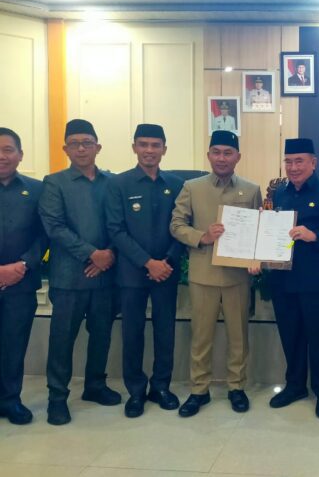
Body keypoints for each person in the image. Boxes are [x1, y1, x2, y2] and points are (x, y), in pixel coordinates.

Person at [170, 130, 262, 418]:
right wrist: (202, 236)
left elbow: (258, 230)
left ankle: (236, 387)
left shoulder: (251, 189)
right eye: (217, 152)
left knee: (239, 337)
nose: (222, 158)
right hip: (203, 274)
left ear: (238, 157)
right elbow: (176, 225)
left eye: (228, 153)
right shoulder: (191, 187)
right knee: (201, 337)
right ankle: (199, 390)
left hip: (237, 277)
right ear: (208, 155)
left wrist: (256, 257)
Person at [39, 119, 121, 426]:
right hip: (69, 278)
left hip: (106, 275)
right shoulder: (54, 183)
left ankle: (95, 385)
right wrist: (92, 254)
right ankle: (57, 398)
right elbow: (54, 227)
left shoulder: (113, 182)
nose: (82, 148)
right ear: (65, 149)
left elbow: (121, 223)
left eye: (87, 142)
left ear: (98, 147)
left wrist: (109, 253)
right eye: (74, 143)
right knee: (62, 340)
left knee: (101, 335)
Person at [105, 124, 184, 418]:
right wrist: (148, 262)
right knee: (132, 333)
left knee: (165, 331)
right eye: (143, 144)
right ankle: (136, 391)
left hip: (167, 271)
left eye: (155, 145)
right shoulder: (119, 184)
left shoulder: (177, 184)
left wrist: (167, 261)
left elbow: (183, 227)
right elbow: (116, 230)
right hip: (132, 273)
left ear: (164, 149)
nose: (149, 150)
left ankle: (161, 386)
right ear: (134, 147)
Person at [268, 138, 319, 419]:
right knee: (291, 335)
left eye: (299, 161)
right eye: (288, 161)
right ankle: (295, 386)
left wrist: (315, 235)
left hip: (316, 279)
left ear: (313, 163)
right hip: (283, 278)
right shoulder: (280, 193)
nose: (293, 167)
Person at [0, 128, 45, 425]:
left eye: (8, 149)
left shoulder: (37, 190)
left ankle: (10, 400)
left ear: (20, 155)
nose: (2, 156)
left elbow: (45, 234)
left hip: (21, 282)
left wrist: (24, 264)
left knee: (14, 345)